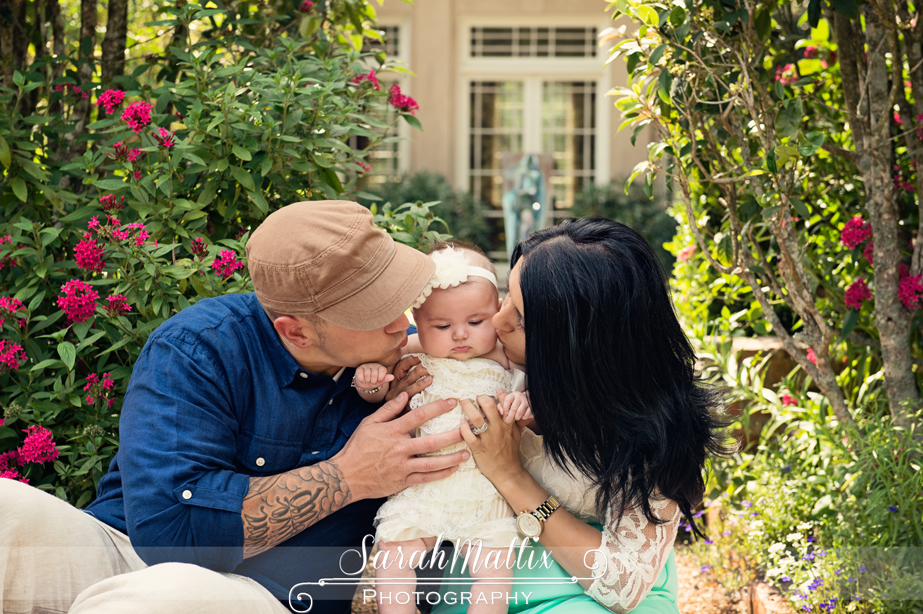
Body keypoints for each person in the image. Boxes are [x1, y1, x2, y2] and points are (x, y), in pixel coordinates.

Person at [0, 201, 467, 614]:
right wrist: (350, 476)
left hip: (267, 595)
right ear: (296, 332)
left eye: (397, 297)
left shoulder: (427, 362)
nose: (399, 322)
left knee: (168, 597)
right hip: (125, 554)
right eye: (372, 313)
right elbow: (169, 533)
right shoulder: (200, 347)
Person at [433, 218, 733, 614]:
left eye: (521, 319)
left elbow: (622, 585)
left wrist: (509, 475)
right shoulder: (478, 362)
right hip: (493, 575)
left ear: (573, 346)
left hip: (603, 583)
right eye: (507, 294)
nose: (496, 320)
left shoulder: (654, 424)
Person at [353, 243, 531, 614]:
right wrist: (369, 382)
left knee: (493, 571)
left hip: (483, 485)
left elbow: (534, 394)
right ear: (417, 318)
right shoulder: (414, 351)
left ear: (496, 312)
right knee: (393, 557)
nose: (460, 335)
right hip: (424, 483)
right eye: (443, 325)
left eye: (475, 322)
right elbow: (381, 393)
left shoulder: (503, 353)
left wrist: (525, 404)